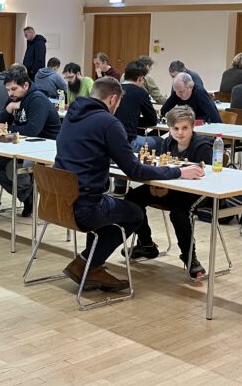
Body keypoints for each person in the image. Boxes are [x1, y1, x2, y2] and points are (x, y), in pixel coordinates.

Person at [55, 78, 204, 292]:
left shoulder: (72, 114)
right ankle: (88, 264)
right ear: (113, 99)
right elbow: (135, 171)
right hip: (85, 205)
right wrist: (178, 171)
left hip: (60, 201)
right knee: (134, 214)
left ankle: (92, 265)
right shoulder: (108, 122)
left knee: (116, 204)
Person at [124, 106, 211, 278]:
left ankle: (190, 257)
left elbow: (203, 178)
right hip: (172, 188)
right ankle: (146, 244)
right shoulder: (168, 142)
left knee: (179, 213)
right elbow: (162, 170)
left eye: (185, 128)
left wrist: (168, 189)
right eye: (175, 128)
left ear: (193, 126)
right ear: (169, 128)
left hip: (197, 192)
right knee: (133, 197)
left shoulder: (202, 146)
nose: (180, 133)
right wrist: (156, 186)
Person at [0, 65, 61, 217]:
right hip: (22, 144)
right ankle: (26, 195)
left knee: (15, 167)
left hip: (44, 147)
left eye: (13, 89)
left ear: (25, 85)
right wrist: (8, 109)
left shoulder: (37, 99)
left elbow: (33, 130)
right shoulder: (14, 98)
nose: (10, 93)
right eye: (8, 90)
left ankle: (27, 193)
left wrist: (8, 128)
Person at [115, 61, 159, 150]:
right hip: (129, 141)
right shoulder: (141, 92)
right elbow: (152, 120)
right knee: (160, 141)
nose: (143, 82)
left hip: (111, 139)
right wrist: (134, 120)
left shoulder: (114, 89)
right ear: (140, 78)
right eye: (143, 79)